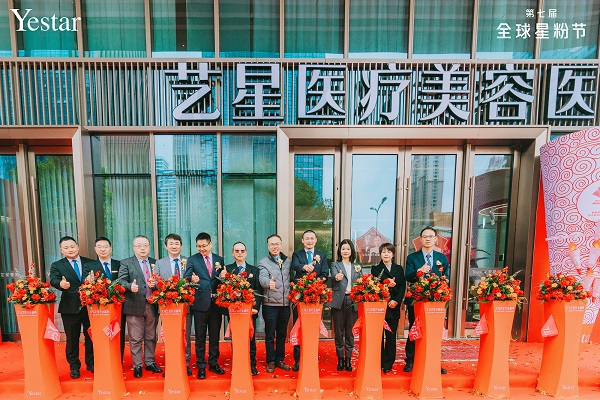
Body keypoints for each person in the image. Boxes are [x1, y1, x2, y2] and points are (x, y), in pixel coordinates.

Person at [403, 226, 450, 374]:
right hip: (416, 301)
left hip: (435, 302)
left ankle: (434, 361)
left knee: (433, 332)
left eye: (431, 236)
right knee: (414, 328)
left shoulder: (442, 258)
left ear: (435, 239)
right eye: (425, 237)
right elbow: (407, 276)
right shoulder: (412, 257)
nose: (428, 239)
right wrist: (419, 272)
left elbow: (446, 278)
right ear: (421, 239)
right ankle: (411, 360)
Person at [117, 235, 162, 378]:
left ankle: (150, 362)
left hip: (151, 304)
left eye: (145, 245)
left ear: (149, 247)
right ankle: (137, 365)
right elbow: (120, 281)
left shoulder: (155, 263)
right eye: (139, 246)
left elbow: (160, 281)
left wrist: (156, 285)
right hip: (134, 304)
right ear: (134, 248)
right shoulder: (126, 263)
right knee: (135, 338)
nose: (142, 248)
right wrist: (130, 286)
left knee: (151, 336)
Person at [49, 236, 94, 379]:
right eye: (66, 247)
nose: (70, 249)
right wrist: (60, 284)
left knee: (91, 336)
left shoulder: (90, 262)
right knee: (72, 338)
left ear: (77, 247)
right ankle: (74, 367)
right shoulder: (57, 265)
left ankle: (91, 363)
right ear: (61, 250)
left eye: (72, 246)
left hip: (89, 306)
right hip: (69, 307)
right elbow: (53, 280)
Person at [183, 232, 225, 379]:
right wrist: (191, 279)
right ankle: (201, 365)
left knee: (214, 336)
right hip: (200, 303)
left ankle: (213, 363)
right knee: (200, 336)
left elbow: (221, 280)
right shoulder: (192, 259)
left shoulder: (219, 259)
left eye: (204, 246)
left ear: (210, 244)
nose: (201, 249)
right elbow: (186, 277)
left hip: (215, 304)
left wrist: (224, 278)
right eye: (199, 246)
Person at [290, 229, 329, 371]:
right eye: (307, 238)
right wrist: (303, 267)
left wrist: (314, 284)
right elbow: (294, 265)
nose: (309, 241)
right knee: (299, 327)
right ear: (302, 240)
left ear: (316, 240)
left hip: (315, 298)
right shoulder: (297, 254)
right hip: (300, 298)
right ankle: (298, 360)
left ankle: (311, 357)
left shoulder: (322, 255)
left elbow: (325, 274)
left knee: (312, 328)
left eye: (312, 238)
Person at [82, 237, 125, 362]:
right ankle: (98, 361)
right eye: (99, 247)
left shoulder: (119, 264)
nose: (103, 249)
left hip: (117, 305)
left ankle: (118, 360)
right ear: (95, 249)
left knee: (118, 332)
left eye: (105, 247)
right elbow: (85, 283)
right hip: (99, 307)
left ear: (110, 248)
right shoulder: (89, 266)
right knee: (99, 334)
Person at [155, 233, 193, 376]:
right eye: (171, 243)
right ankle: (171, 364)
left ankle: (185, 364)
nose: (174, 246)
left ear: (181, 246)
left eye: (177, 243)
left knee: (185, 336)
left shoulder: (188, 261)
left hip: (185, 307)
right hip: (168, 308)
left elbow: (192, 281)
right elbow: (156, 283)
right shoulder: (159, 263)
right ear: (166, 246)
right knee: (169, 337)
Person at [224, 241, 263, 376]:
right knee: (236, 339)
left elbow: (258, 290)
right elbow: (224, 290)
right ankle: (237, 364)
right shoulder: (227, 269)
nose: (239, 253)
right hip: (234, 312)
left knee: (250, 338)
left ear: (246, 253)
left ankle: (252, 365)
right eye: (237, 251)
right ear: (232, 253)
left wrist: (255, 307)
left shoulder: (254, 270)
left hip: (250, 311)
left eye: (242, 251)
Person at [258, 234, 292, 373]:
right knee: (270, 335)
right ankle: (271, 361)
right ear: (268, 246)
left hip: (285, 305)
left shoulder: (288, 262)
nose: (275, 246)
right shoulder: (263, 262)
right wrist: (268, 283)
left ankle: (280, 359)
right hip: (270, 305)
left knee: (282, 335)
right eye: (272, 244)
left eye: (277, 244)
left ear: (281, 245)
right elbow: (262, 278)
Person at [371, 242, 406, 374]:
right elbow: (377, 283)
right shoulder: (376, 269)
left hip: (393, 306)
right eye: (383, 252)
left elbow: (402, 286)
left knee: (391, 336)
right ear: (380, 254)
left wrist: (396, 301)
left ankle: (388, 363)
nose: (386, 254)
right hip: (380, 306)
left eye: (389, 252)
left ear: (393, 254)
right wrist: (387, 282)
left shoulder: (399, 268)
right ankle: (378, 361)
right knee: (378, 336)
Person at [329, 239, 362, 372]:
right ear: (340, 251)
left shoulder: (356, 266)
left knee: (350, 332)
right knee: (339, 331)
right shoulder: (335, 264)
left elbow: (360, 282)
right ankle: (340, 359)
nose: (345, 251)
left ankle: (348, 359)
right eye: (343, 249)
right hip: (339, 300)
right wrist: (337, 277)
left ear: (352, 251)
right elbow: (334, 275)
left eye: (348, 249)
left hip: (352, 300)